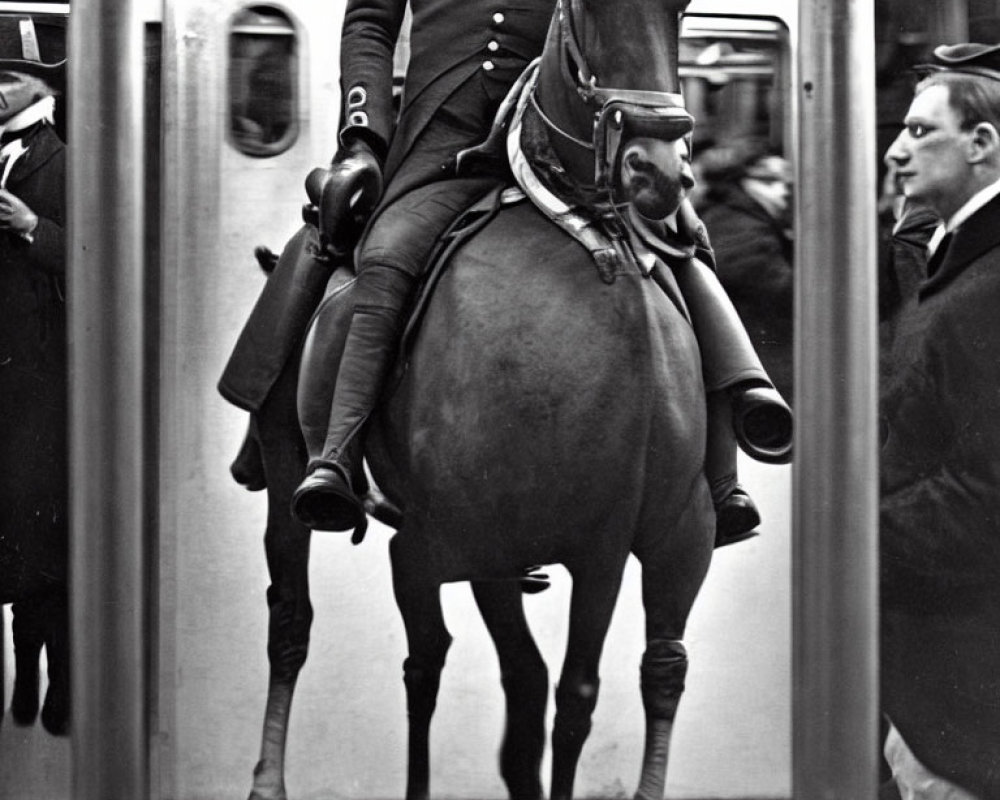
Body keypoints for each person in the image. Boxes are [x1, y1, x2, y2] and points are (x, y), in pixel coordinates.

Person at [288, 0, 791, 546]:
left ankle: (722, 471)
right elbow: (370, 22)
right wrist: (363, 137)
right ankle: (337, 454)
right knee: (387, 254)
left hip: (557, 143)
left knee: (680, 241)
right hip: (440, 142)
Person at [880, 42, 1000, 799]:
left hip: (964, 667)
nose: (895, 151)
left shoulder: (987, 286)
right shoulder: (951, 258)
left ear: (982, 144)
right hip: (936, 662)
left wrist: (856, 540)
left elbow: (986, 491)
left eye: (921, 132)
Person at [0, 14, 69, 735]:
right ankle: (24, 681)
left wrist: (31, 229)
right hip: (6, 385)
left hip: (44, 385)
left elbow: (100, 262)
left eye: (9, 77)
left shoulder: (65, 162)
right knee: (15, 551)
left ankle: (62, 687)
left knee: (44, 547)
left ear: (43, 88)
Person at [697, 142, 794, 401]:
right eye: (769, 181)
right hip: (752, 368)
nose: (783, 190)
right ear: (741, 183)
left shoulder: (736, 218)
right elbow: (784, 292)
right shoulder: (738, 228)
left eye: (785, 183)